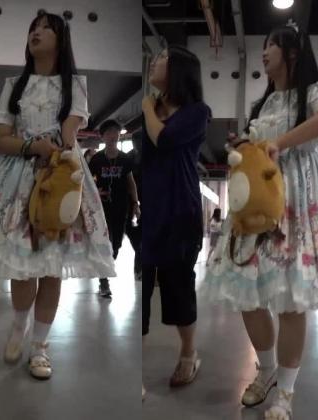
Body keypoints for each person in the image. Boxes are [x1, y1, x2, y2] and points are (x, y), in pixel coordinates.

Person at [199, 23, 318, 420]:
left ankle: (286, 390)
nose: (265, 50)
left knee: (292, 299)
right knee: (248, 293)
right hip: (259, 202)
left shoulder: (312, 91)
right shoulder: (263, 102)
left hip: (299, 196)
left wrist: (278, 143)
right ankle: (268, 369)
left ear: (292, 52)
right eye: (265, 43)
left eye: (272, 44)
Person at [0, 13, 115, 380]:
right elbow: (1, 140)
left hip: (61, 176)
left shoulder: (75, 85)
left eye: (46, 28)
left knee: (51, 268)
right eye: (33, 27)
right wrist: (32, 146)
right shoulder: (13, 85)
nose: (36, 32)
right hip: (17, 179)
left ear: (61, 39)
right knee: (22, 263)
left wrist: (51, 146)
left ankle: (40, 347)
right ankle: (19, 324)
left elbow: (68, 137)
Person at [136, 45, 210, 398]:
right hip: (150, 209)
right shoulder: (153, 109)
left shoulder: (197, 112)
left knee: (178, 286)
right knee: (142, 290)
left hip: (181, 210)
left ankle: (189, 353)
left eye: (163, 57)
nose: (155, 61)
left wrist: (147, 108)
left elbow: (163, 138)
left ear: (179, 69)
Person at [88, 119, 140, 298]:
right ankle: (104, 281)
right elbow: (88, 182)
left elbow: (131, 183)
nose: (113, 135)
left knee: (116, 244)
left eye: (116, 132)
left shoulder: (125, 159)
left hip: (121, 207)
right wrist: (96, 191)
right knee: (104, 241)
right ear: (103, 136)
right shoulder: (96, 159)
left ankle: (106, 268)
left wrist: (136, 204)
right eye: (109, 132)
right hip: (101, 208)